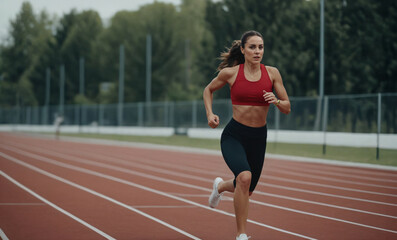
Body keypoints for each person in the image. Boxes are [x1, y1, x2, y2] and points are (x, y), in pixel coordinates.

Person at [203, 30, 291, 240]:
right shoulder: (231, 73)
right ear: (242, 50)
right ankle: (241, 235)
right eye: (252, 47)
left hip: (258, 138)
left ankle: (220, 186)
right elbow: (208, 90)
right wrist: (210, 114)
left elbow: (287, 107)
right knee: (244, 177)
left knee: (247, 189)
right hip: (235, 135)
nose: (257, 51)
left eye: (260, 47)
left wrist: (276, 101)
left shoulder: (272, 73)